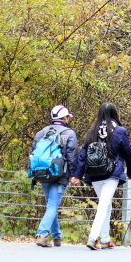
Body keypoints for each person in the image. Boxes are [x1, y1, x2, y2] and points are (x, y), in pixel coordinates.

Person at [70, 102, 131, 250]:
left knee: (106, 205)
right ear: (115, 114)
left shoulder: (92, 131)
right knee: (104, 205)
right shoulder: (120, 131)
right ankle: (92, 238)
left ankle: (106, 240)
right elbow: (130, 154)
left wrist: (77, 175)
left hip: (94, 174)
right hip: (111, 173)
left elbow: (83, 156)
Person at [29, 104, 78, 247]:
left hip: (42, 174)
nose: (68, 119)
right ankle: (42, 234)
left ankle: (56, 236)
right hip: (59, 175)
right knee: (52, 204)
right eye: (68, 116)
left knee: (51, 204)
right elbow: (72, 156)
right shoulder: (69, 134)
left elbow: (33, 154)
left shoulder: (40, 133)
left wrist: (32, 173)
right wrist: (73, 175)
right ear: (64, 117)